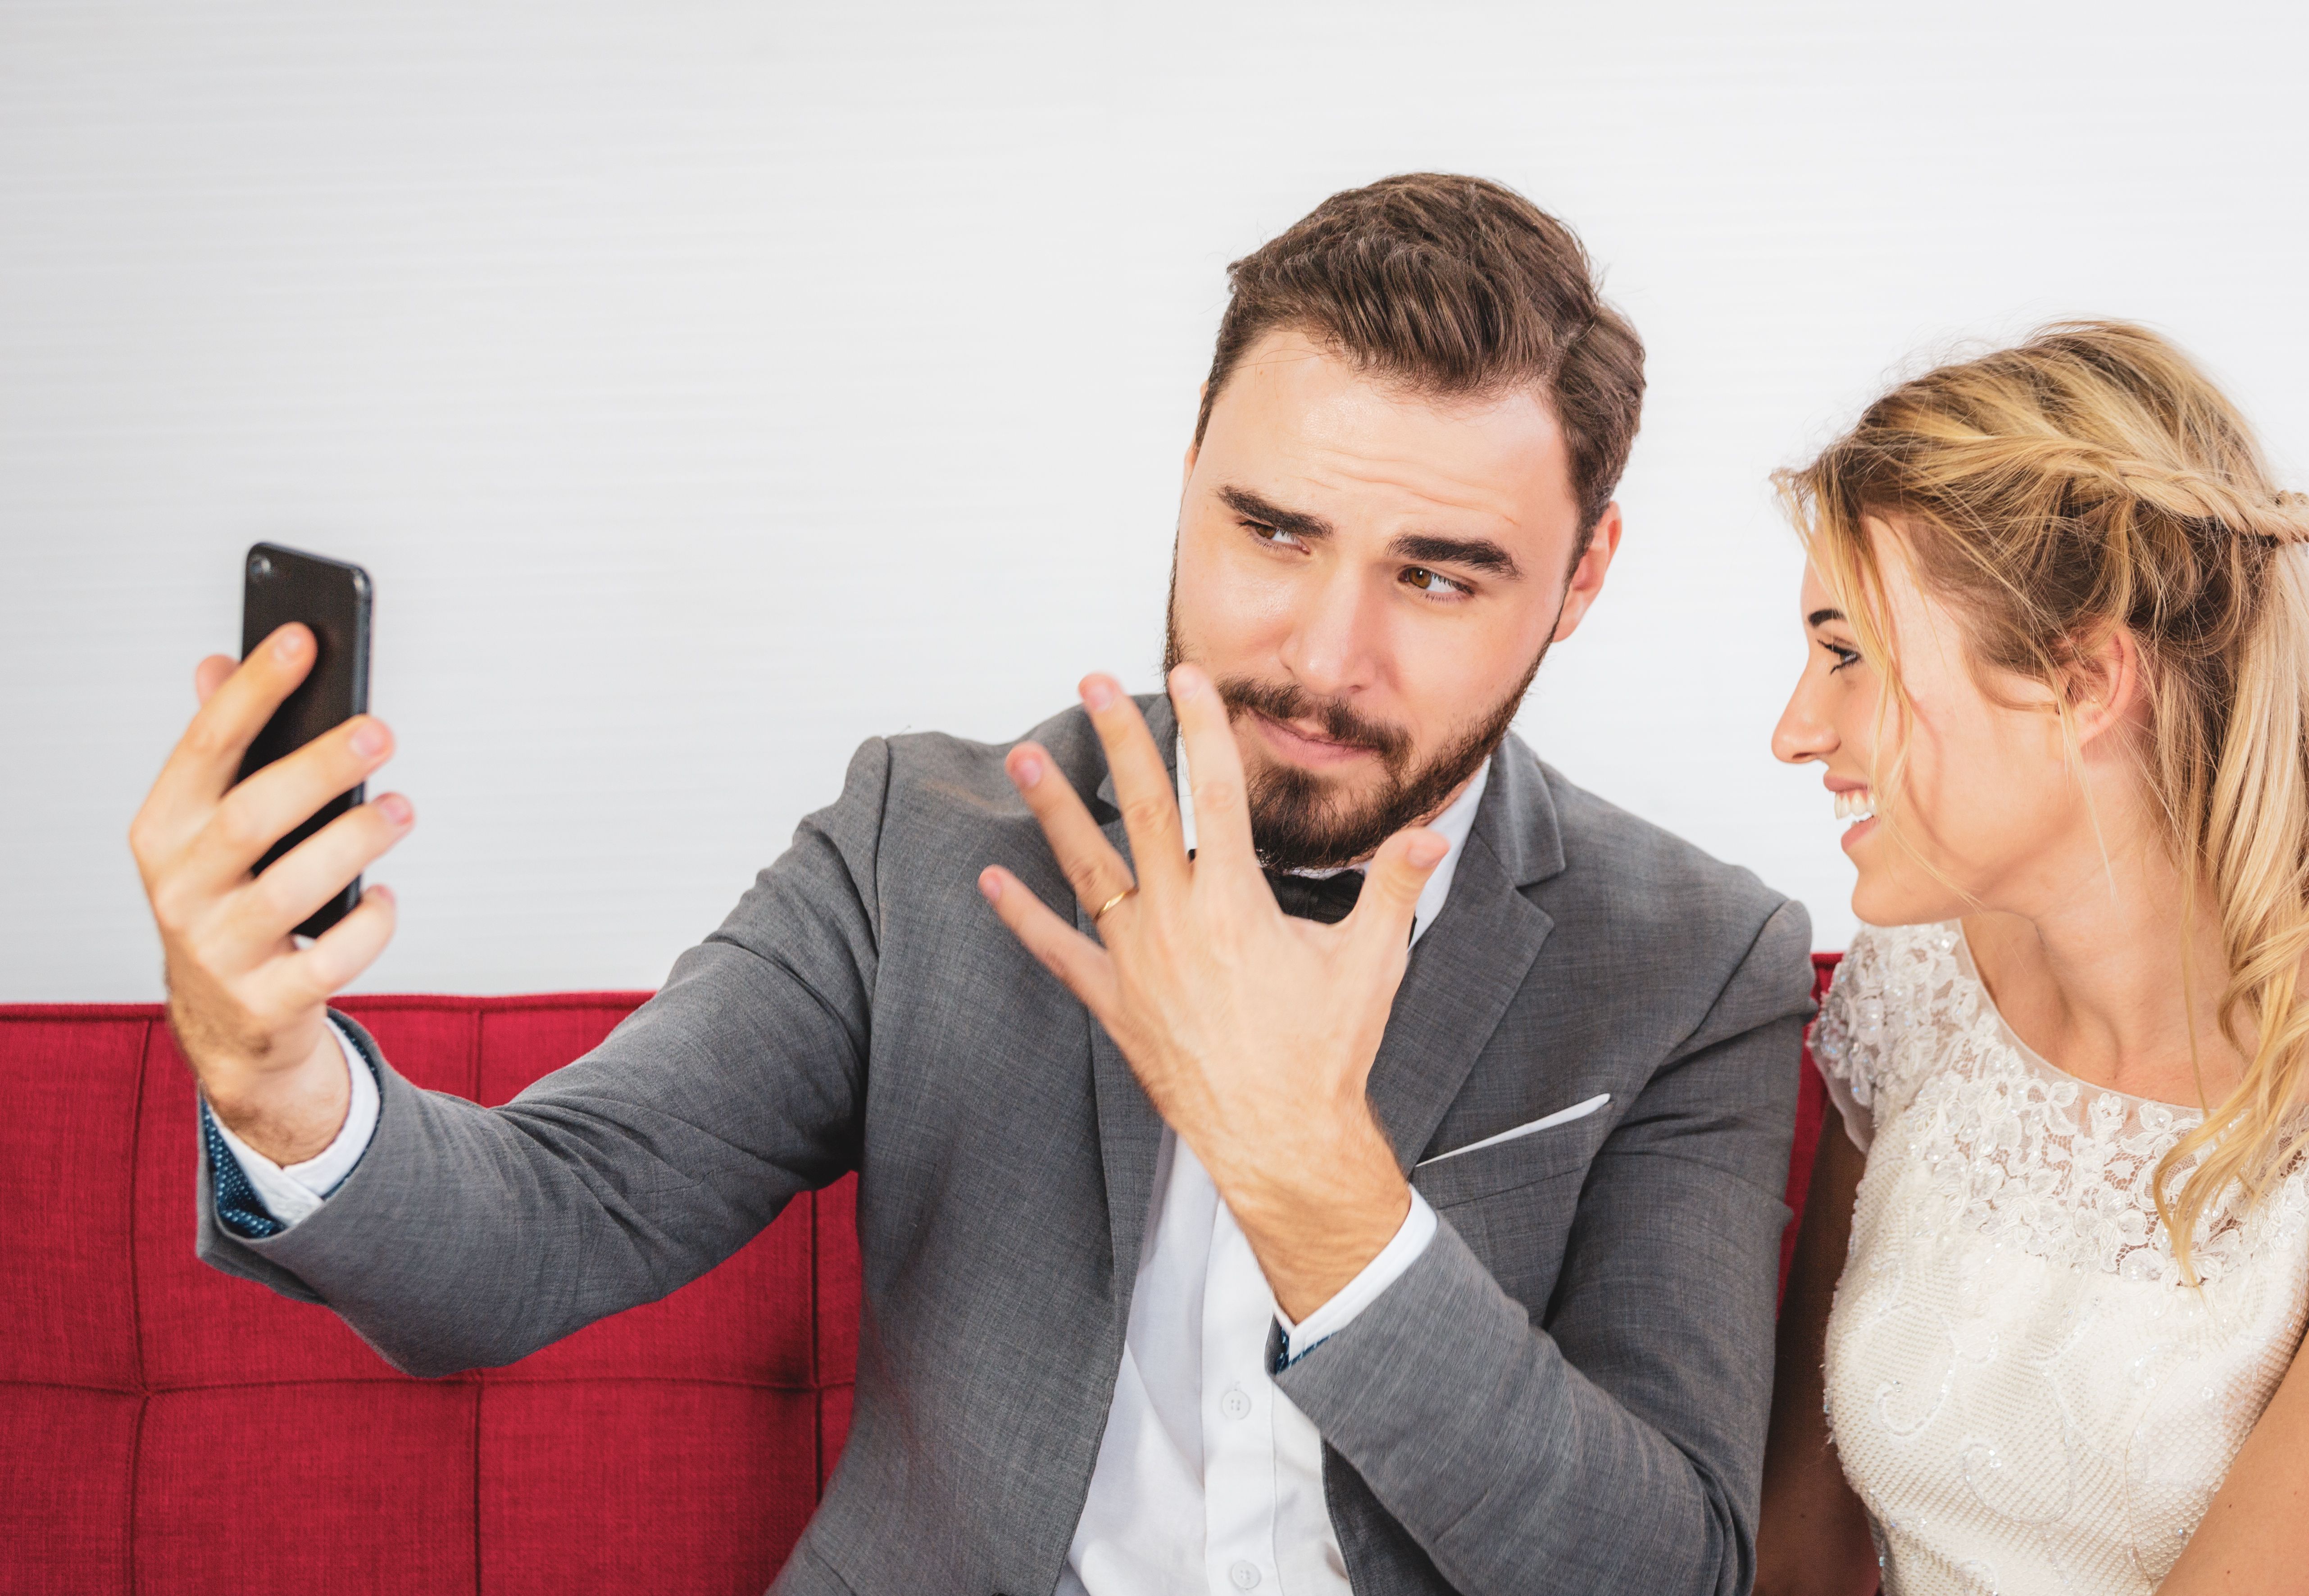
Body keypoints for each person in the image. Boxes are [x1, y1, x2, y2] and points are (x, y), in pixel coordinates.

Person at [128, 173, 1818, 1596]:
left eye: (1439, 577)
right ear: (1187, 483)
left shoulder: (1693, 961)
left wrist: (1309, 1176)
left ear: (1582, 575)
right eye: (1274, 534)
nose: (1323, 655)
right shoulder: (921, 843)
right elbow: (544, 1229)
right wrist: (274, 1076)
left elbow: (1658, 1565)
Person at [1753, 321, 2309, 1596]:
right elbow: (1796, 1545)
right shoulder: (1922, 988)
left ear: (2084, 677)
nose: (1795, 729)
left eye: (1848, 656)